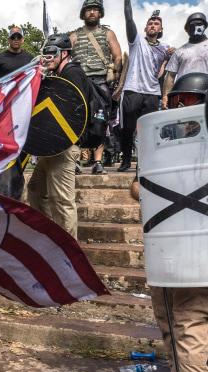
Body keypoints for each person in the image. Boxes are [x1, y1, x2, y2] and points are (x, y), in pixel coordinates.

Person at [136, 72, 208, 372]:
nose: (178, 107)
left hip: (198, 247)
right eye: (175, 100)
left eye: (186, 102)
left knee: (190, 318)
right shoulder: (164, 143)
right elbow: (139, 189)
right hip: (168, 245)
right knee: (168, 316)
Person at [27, 34, 95, 239]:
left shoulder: (72, 73)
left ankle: (68, 252)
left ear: (64, 53)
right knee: (36, 188)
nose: (47, 57)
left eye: (52, 53)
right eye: (45, 53)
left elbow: (75, 111)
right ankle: (49, 237)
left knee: (62, 199)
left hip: (65, 146)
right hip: (53, 145)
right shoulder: (58, 74)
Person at [116, 6, 172, 172]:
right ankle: (126, 160)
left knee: (149, 130)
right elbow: (129, 18)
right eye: (150, 23)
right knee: (127, 128)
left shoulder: (165, 48)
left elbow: (162, 72)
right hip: (133, 89)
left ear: (160, 29)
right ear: (145, 28)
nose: (152, 25)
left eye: (156, 24)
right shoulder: (136, 41)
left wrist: (172, 55)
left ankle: (146, 162)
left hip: (152, 93)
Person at [70, 0, 122, 174]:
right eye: (88, 9)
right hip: (79, 82)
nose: (92, 12)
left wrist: (115, 77)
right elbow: (64, 57)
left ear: (100, 12)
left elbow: (118, 57)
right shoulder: (74, 36)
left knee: (101, 121)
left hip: (101, 82)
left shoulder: (108, 34)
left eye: (95, 9)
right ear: (83, 13)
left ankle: (97, 162)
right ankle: (76, 162)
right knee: (77, 121)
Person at [162, 13, 208, 110]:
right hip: (184, 97)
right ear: (187, 28)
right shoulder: (180, 51)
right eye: (192, 24)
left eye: (199, 23)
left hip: (205, 94)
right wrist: (166, 96)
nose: (196, 27)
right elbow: (170, 76)